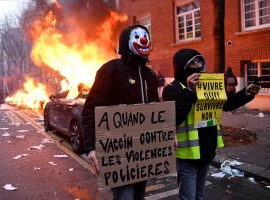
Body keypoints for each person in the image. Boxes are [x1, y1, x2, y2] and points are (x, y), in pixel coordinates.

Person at [162, 48, 260, 200]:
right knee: (188, 197)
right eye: (193, 63)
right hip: (188, 154)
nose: (198, 67)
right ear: (182, 66)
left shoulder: (207, 84)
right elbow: (175, 117)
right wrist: (189, 90)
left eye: (200, 62)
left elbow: (226, 104)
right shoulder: (172, 89)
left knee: (199, 196)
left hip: (207, 150)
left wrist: (246, 93)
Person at [82, 25, 159, 200]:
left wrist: (167, 132)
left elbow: (156, 108)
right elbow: (90, 109)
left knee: (139, 196)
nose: (144, 40)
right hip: (119, 154)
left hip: (144, 152)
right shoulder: (111, 70)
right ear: (127, 42)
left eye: (146, 35)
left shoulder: (149, 75)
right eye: (138, 36)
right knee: (125, 196)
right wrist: (91, 147)